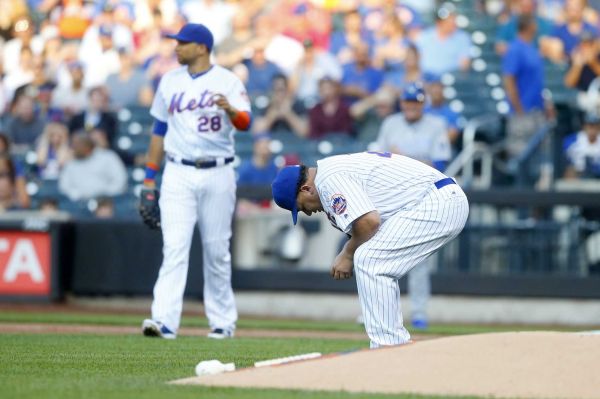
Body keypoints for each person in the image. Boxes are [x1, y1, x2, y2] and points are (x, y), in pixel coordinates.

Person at [271, 152, 469, 347]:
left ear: (306, 189)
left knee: (370, 260)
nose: (306, 212)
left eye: (300, 206)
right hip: (435, 199)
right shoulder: (330, 172)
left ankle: (388, 346)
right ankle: (390, 344)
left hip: (438, 201)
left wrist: (347, 254)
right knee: (371, 259)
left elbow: (369, 221)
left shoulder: (328, 180)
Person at [140, 24, 252, 340]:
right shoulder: (169, 81)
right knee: (174, 247)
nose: (176, 47)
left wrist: (230, 110)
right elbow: (158, 131)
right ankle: (163, 321)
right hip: (177, 171)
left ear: (202, 47)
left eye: (183, 43)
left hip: (218, 171)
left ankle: (222, 322)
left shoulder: (227, 81)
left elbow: (246, 122)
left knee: (217, 250)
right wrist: (150, 178)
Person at [375, 82, 452, 329]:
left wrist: (402, 160)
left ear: (423, 103)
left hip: (421, 197)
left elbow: (439, 165)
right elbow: (375, 158)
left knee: (419, 260)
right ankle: (376, 311)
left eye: (416, 102)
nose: (411, 106)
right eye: (407, 101)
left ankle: (419, 312)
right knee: (381, 256)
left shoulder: (436, 125)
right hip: (391, 195)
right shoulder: (390, 124)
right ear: (401, 103)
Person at [58, 132, 127, 201]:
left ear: (88, 145)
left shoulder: (108, 157)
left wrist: (103, 193)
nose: (73, 148)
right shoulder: (71, 163)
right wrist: (80, 195)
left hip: (107, 201)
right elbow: (64, 187)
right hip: (79, 203)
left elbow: (120, 181)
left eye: (77, 145)